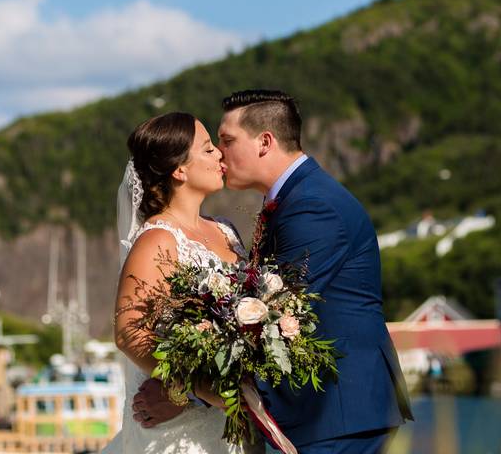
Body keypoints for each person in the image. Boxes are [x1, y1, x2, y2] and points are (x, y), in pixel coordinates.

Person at [137, 90, 413, 453]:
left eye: (227, 140)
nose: (220, 153)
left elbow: (272, 316)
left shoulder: (312, 207)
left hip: (338, 412)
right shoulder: (293, 200)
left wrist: (185, 392)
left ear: (265, 142)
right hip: (324, 414)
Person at [103, 111, 264, 454]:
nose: (220, 154)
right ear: (180, 169)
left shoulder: (226, 231)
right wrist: (197, 390)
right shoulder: (158, 240)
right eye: (208, 150)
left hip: (235, 421)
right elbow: (129, 331)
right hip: (182, 431)